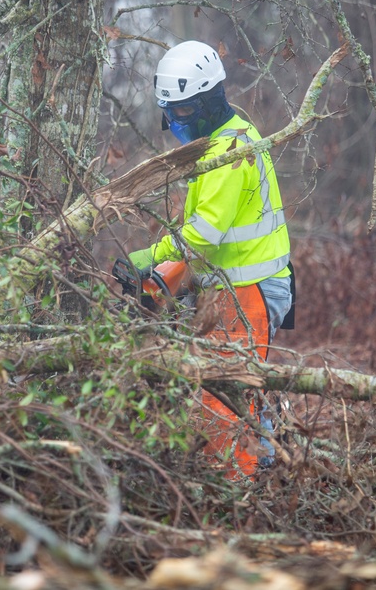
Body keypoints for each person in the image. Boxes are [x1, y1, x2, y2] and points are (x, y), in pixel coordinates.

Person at [126, 40, 294, 481]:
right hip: (240, 286)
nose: (172, 122)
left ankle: (237, 492)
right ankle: (266, 470)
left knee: (224, 393)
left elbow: (203, 236)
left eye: (179, 112)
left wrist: (152, 257)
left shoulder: (227, 154)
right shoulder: (228, 135)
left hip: (250, 290)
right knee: (235, 387)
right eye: (169, 112)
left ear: (205, 102)